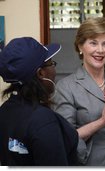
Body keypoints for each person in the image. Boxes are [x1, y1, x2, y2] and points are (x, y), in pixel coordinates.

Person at [52, 17, 105, 166]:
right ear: (80, 46)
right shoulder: (66, 87)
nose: (100, 50)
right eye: (93, 43)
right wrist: (103, 121)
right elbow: (66, 137)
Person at [0, 37, 78, 166]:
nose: (54, 70)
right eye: (51, 63)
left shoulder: (4, 111)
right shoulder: (43, 119)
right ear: (41, 73)